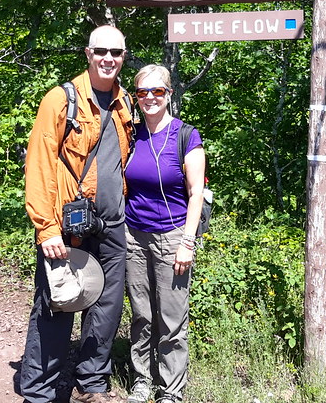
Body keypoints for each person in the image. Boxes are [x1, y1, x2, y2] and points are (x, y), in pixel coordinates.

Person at [19, 25, 134, 403]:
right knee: (57, 306)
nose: (108, 59)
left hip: (113, 225)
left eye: (116, 53)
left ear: (123, 56)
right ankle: (39, 392)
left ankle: (92, 384)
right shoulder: (60, 100)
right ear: (87, 53)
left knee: (105, 309)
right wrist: (47, 227)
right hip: (68, 227)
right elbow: (38, 164)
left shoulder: (125, 103)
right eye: (101, 50)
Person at [123, 64, 206, 403]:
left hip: (173, 236)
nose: (150, 98)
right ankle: (142, 380)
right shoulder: (131, 135)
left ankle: (170, 390)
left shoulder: (187, 135)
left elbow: (196, 192)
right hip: (133, 236)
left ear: (169, 94)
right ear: (136, 97)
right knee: (142, 314)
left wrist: (188, 242)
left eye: (158, 91)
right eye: (143, 92)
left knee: (172, 317)